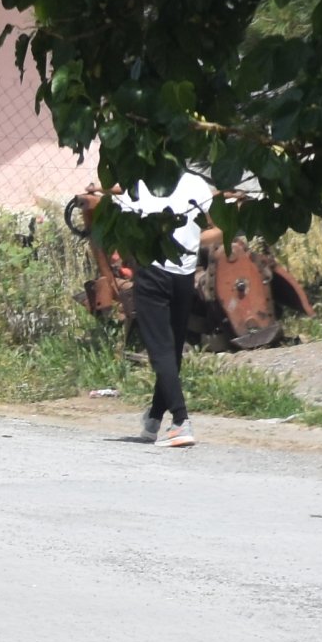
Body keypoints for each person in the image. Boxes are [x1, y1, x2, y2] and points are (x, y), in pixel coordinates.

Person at [122, 171, 212, 448]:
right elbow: (215, 227)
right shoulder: (195, 183)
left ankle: (181, 420)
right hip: (184, 275)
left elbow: (124, 233)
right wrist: (191, 243)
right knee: (171, 352)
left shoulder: (138, 183)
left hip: (152, 270)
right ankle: (153, 418)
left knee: (160, 351)